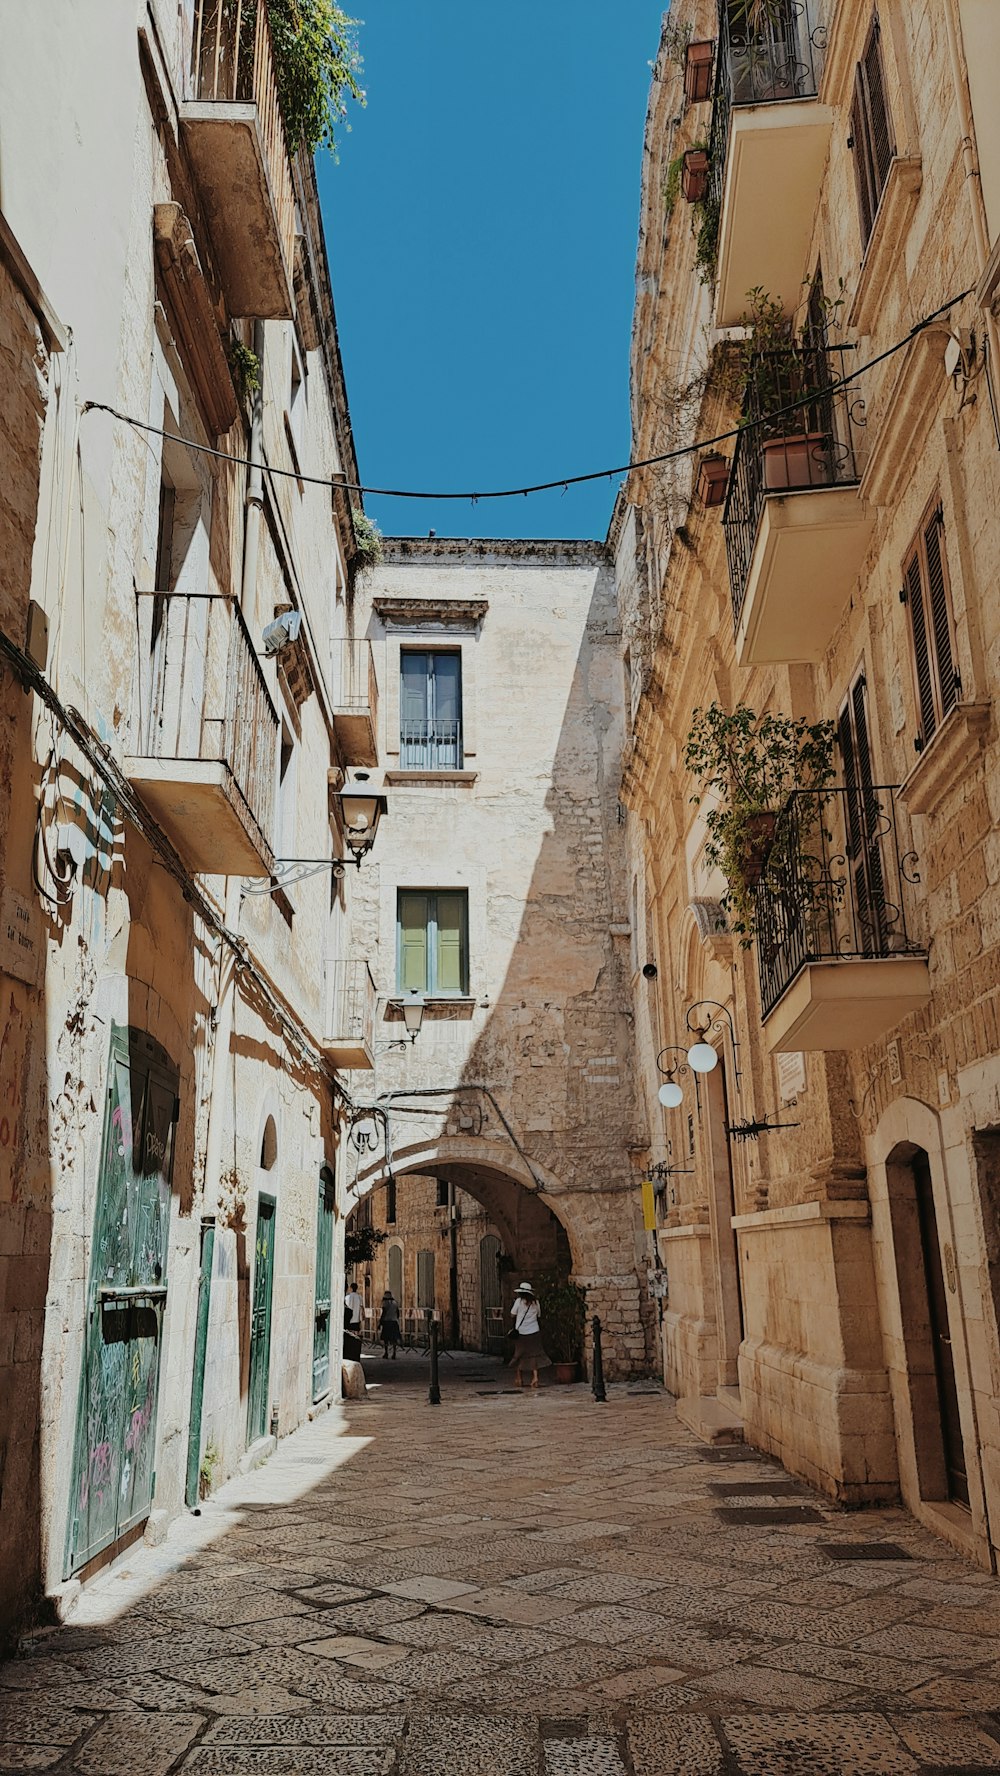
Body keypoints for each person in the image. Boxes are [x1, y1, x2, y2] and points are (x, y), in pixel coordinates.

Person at [509, 1282, 551, 1389]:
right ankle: (535, 1377)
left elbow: (512, 1314)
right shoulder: (536, 1303)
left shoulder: (518, 1302)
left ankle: (519, 1377)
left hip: (521, 1332)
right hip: (534, 1332)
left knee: (519, 1354)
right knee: (534, 1355)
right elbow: (539, 1315)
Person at [378, 1290, 401, 1359]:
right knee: (394, 1338)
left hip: (387, 1322)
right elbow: (398, 1313)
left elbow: (383, 1313)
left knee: (386, 1338)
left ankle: (386, 1352)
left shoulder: (385, 1303)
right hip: (394, 1322)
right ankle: (394, 1353)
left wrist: (380, 1322)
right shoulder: (395, 1303)